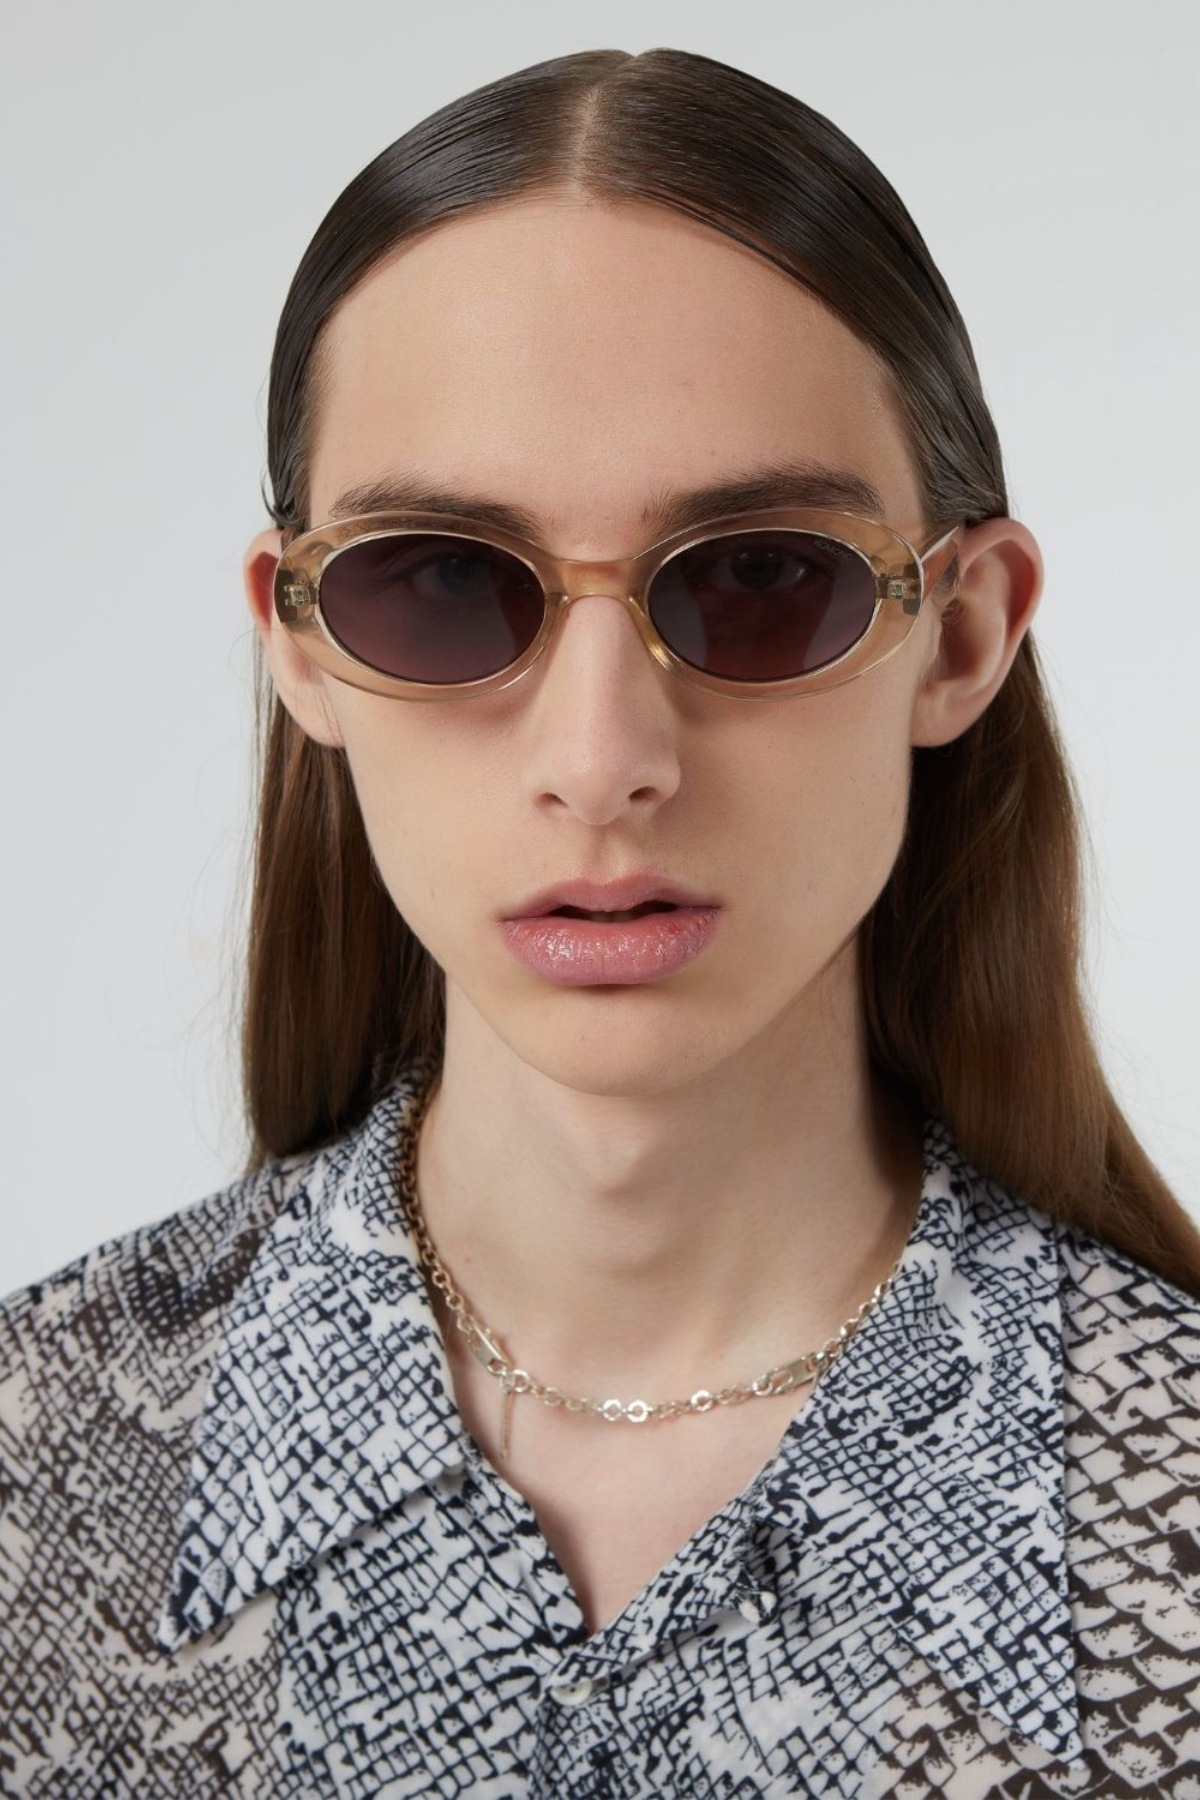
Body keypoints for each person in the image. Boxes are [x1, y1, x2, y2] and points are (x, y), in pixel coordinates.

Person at [2, 43, 1199, 1800]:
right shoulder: (36, 1475)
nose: (602, 760)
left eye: (762, 576)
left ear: (959, 636)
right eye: (438, 581)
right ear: (300, 643)